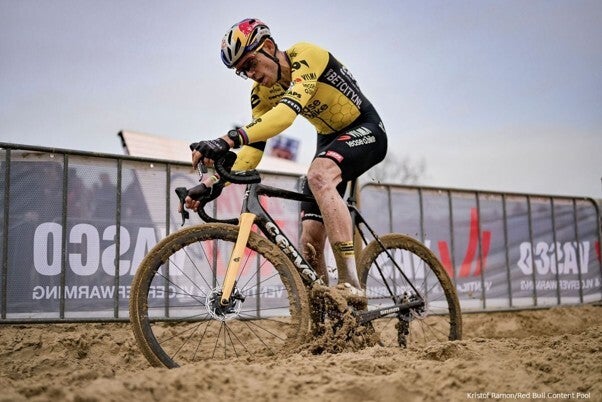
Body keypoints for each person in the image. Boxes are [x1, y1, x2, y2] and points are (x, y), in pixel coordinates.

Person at [184, 18, 387, 299]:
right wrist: (212, 183)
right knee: (309, 242)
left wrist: (227, 139)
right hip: (329, 141)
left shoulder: (306, 55)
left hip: (366, 128)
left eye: (250, 63)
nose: (250, 74)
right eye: (242, 71)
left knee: (319, 175)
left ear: (268, 46)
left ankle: (351, 283)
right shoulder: (261, 94)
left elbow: (285, 116)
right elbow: (252, 152)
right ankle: (330, 316)